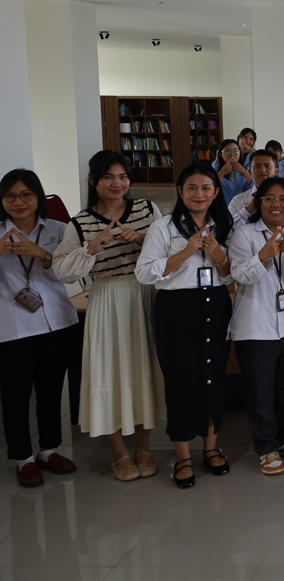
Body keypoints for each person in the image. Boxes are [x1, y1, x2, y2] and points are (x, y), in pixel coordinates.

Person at [52, 151, 166, 482]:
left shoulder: (147, 210)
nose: (117, 184)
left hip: (145, 294)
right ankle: (118, 451)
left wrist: (141, 239)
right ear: (93, 181)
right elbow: (62, 270)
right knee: (108, 370)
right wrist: (90, 248)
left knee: (145, 366)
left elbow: (169, 251)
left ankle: (143, 447)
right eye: (108, 177)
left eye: (123, 177)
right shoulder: (80, 222)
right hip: (106, 297)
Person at [134, 164, 235, 489]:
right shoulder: (163, 227)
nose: (199, 194)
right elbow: (144, 273)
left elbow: (229, 275)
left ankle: (211, 447)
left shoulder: (225, 225)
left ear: (215, 193)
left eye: (206, 188)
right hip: (176, 308)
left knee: (213, 376)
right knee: (180, 381)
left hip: (215, 303)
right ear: (180, 191)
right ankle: (182, 456)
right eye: (192, 187)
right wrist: (186, 251)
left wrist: (218, 254)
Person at [227, 178, 284, 476]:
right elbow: (238, 274)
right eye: (270, 198)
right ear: (259, 203)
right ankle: (265, 447)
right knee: (260, 390)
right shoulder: (244, 234)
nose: (277, 204)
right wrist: (263, 255)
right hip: (255, 324)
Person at [1, 169, 78, 488]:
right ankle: (23, 458)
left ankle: (48, 450)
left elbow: (73, 273)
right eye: (9, 196)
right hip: (13, 326)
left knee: (50, 389)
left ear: (37, 197)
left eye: (26, 195)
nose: (18, 202)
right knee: (15, 393)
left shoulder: (59, 229)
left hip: (56, 321)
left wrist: (44, 255)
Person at [228, 150, 284, 230]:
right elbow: (229, 229)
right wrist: (247, 211)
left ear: (276, 171)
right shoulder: (238, 200)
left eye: (267, 166)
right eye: (257, 166)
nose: (262, 170)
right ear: (250, 172)